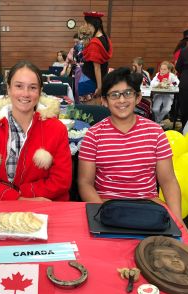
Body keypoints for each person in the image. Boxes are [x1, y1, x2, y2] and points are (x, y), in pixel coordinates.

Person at [78, 67, 183, 223]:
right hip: (107, 207)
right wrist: (102, 213)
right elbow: (85, 183)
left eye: (128, 93)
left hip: (148, 207)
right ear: (104, 101)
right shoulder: (93, 135)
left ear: (138, 98)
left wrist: (177, 221)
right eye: (114, 95)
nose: (122, 100)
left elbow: (168, 180)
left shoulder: (155, 132)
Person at [0, 60, 72, 201]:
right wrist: (18, 199)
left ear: (40, 92)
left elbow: (61, 181)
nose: (26, 94)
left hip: (46, 207)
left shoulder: (57, 129)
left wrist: (24, 193)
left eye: (32, 88)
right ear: (9, 88)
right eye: (19, 86)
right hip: (3, 211)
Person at [79, 11, 113, 103]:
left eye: (85, 23)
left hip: (90, 82)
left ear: (90, 24)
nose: (84, 25)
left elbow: (96, 67)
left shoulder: (95, 43)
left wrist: (99, 87)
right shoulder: (105, 39)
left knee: (88, 113)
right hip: (99, 79)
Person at [176, 46, 188, 129]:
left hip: (185, 81)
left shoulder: (184, 51)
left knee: (185, 108)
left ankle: (185, 130)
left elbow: (178, 67)